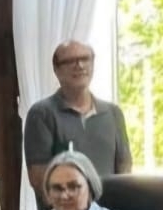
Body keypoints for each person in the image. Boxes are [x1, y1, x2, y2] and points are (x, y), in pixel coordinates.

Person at [22, 41, 132, 200]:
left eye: (85, 59)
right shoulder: (41, 114)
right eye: (70, 61)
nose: (79, 65)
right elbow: (39, 179)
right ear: (56, 70)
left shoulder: (113, 113)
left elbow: (124, 172)